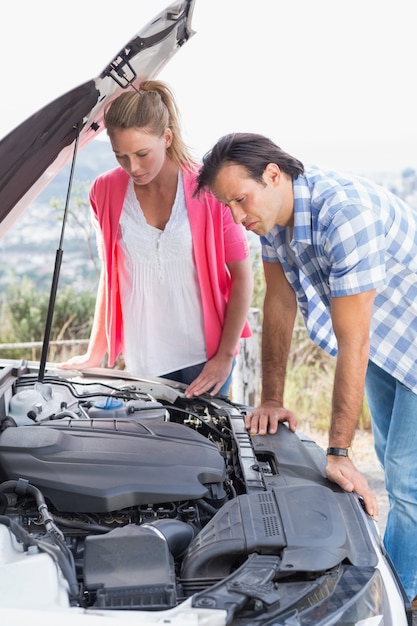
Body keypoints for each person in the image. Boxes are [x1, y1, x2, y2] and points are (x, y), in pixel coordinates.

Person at [194, 131, 417, 602]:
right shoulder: (272, 217)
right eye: (227, 207)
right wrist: (272, 399)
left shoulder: (345, 214)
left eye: (240, 199)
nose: (237, 216)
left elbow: (351, 341)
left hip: (403, 335)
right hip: (386, 342)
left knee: (405, 475)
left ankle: (395, 597)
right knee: (392, 460)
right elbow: (278, 303)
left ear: (273, 175)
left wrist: (337, 451)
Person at [59, 82, 253, 398]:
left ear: (166, 137)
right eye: (120, 156)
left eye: (142, 154)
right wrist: (96, 352)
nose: (132, 167)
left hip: (205, 357)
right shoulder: (104, 192)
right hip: (145, 357)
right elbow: (112, 275)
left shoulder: (209, 188)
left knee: (204, 446)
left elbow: (243, 276)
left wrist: (224, 357)